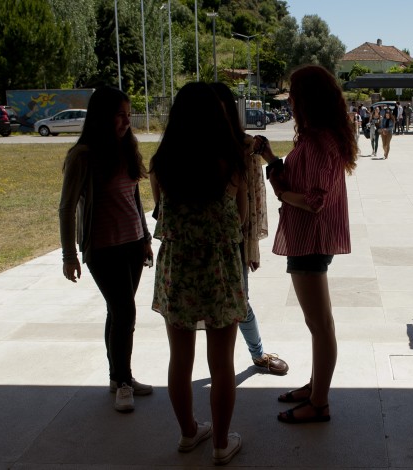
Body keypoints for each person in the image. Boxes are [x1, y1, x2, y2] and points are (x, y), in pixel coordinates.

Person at [150, 82, 247, 465]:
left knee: (180, 358)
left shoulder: (162, 164)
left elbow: (162, 212)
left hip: (178, 270)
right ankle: (222, 444)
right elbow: (238, 219)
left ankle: (188, 432)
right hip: (219, 269)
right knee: (222, 362)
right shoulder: (231, 161)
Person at [255, 64, 357, 424]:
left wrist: (281, 190)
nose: (291, 102)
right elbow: (302, 181)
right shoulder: (317, 138)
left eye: (294, 95)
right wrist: (270, 159)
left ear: (305, 100)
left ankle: (320, 403)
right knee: (318, 323)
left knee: (320, 324)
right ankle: (316, 388)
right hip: (308, 239)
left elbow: (315, 200)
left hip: (310, 240)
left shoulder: (318, 143)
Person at [59, 86, 154, 413]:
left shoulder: (127, 147)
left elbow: (135, 197)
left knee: (118, 312)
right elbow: (66, 207)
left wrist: (145, 237)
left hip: (132, 244)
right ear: (102, 117)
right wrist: (69, 255)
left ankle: (118, 377)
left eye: (129, 115)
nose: (126, 122)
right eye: (120, 115)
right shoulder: (83, 156)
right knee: (125, 312)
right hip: (102, 248)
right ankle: (124, 382)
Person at [210, 82, 290, 376]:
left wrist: (251, 246)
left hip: (234, 240)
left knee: (239, 300)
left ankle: (257, 354)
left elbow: (255, 201)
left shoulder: (245, 148)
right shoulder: (187, 149)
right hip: (198, 243)